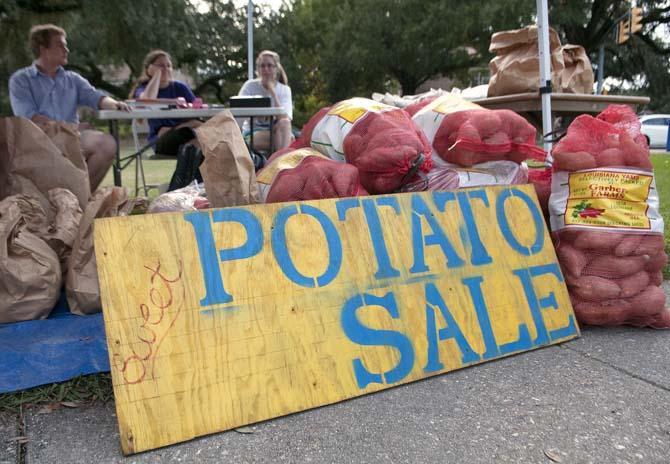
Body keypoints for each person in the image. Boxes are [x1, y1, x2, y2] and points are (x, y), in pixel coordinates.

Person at [9, 24, 129, 191]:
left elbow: (96, 97)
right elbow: (29, 118)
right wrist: (70, 128)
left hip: (73, 138)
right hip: (38, 141)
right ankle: (64, 202)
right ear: (43, 49)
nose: (67, 50)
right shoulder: (20, 80)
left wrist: (114, 104)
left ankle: (80, 200)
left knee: (107, 144)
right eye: (60, 45)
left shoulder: (73, 79)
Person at [129, 50, 201, 156]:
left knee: (203, 141)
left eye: (168, 66)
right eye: (161, 66)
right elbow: (147, 101)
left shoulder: (180, 87)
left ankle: (184, 172)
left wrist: (176, 128)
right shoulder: (144, 88)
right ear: (150, 69)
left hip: (187, 134)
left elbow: (197, 114)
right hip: (161, 141)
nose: (166, 69)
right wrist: (156, 75)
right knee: (198, 145)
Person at [238, 50, 293, 153]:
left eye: (269, 65)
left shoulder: (284, 89)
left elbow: (285, 118)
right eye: (262, 66)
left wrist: (272, 91)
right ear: (257, 69)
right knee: (286, 140)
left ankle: (276, 163)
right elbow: (238, 111)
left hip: (277, 130)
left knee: (284, 124)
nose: (266, 69)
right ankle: (280, 164)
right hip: (253, 132)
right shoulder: (249, 86)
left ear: (276, 69)